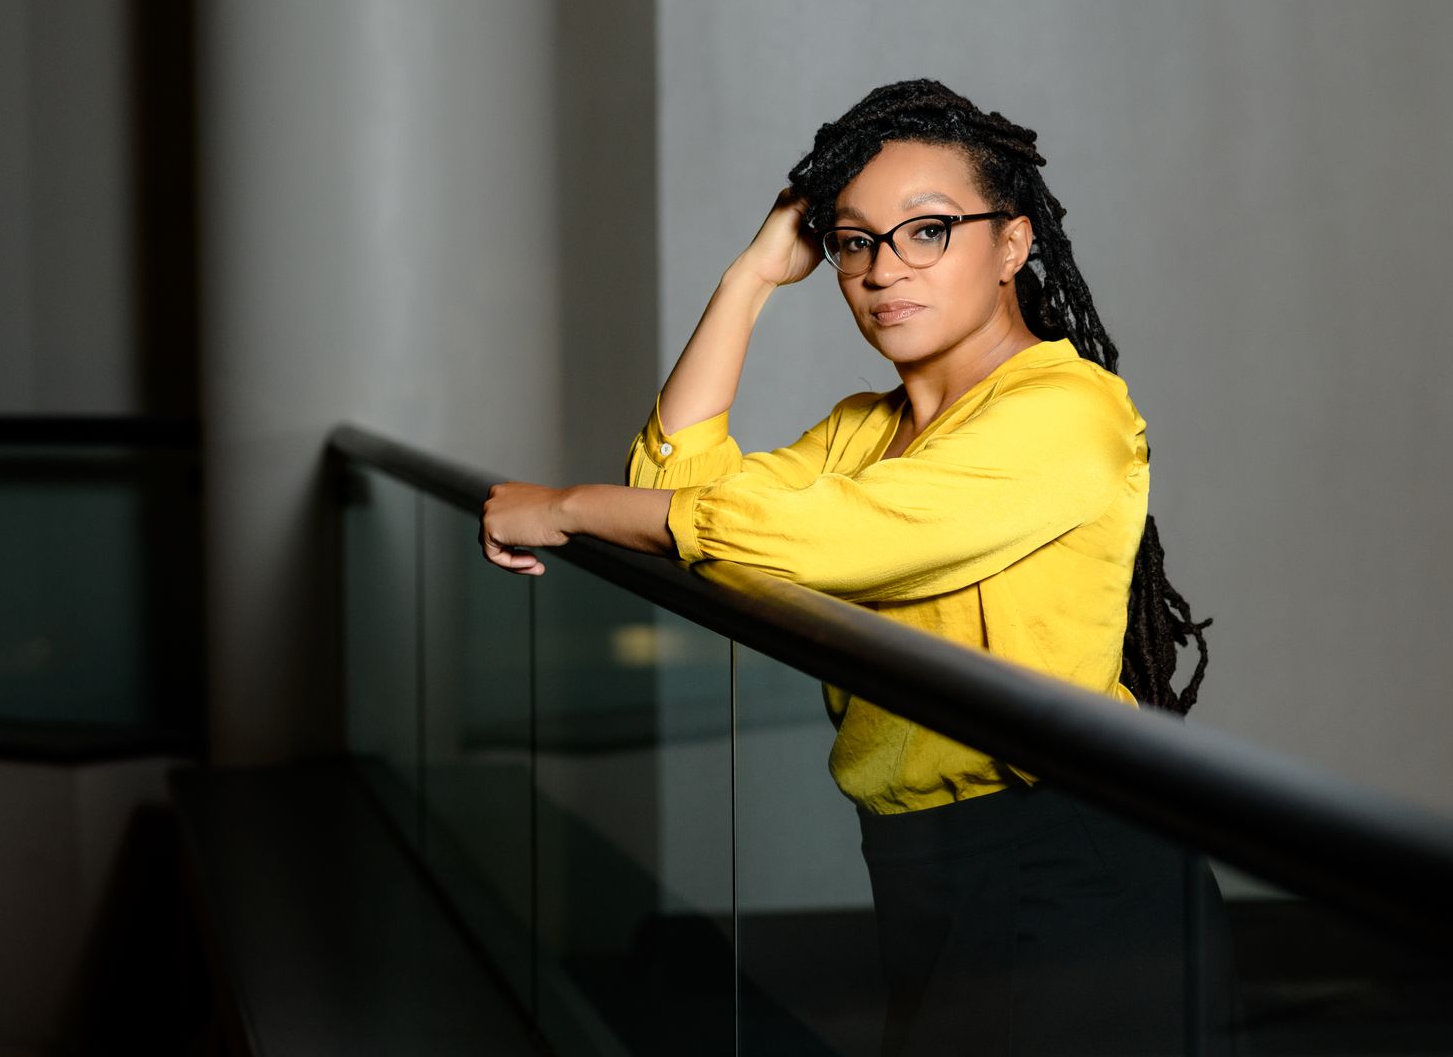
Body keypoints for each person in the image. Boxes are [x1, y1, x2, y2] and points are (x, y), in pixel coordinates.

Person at [478, 78, 1239, 1054]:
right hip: (919, 860)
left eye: (927, 231)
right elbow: (678, 477)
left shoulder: (1066, 412)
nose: (884, 269)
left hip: (1071, 854)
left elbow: (787, 535)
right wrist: (750, 278)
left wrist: (570, 507)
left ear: (1013, 242)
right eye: (851, 240)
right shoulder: (864, 428)